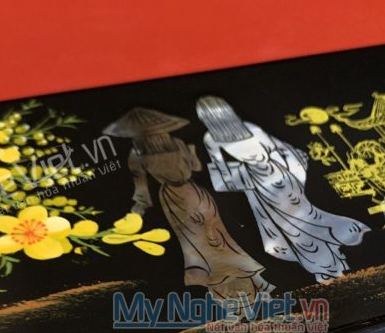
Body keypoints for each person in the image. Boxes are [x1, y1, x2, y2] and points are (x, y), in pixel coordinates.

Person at [103, 107, 273, 303]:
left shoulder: (151, 150)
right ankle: (233, 293)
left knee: (216, 241)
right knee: (203, 246)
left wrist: (138, 209)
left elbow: (147, 186)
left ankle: (247, 289)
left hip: (191, 195)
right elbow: (144, 186)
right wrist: (135, 213)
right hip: (180, 199)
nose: (155, 137)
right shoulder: (147, 152)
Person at [196, 96, 369, 283]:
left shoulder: (232, 133)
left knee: (299, 225)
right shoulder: (219, 136)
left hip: (275, 179)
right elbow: (273, 151)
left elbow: (274, 150)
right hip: (264, 184)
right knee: (292, 229)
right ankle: (329, 266)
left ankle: (329, 266)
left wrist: (287, 175)